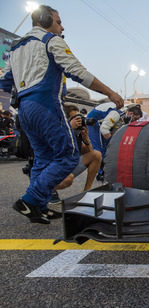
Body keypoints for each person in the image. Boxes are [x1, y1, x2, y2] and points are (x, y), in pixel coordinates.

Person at [0, 5, 123, 224]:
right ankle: (30, 199)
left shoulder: (16, 47)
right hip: (46, 104)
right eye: (58, 21)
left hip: (24, 110)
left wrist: (8, 108)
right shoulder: (51, 40)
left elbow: (5, 82)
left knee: (42, 158)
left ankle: (38, 206)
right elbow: (78, 72)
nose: (61, 26)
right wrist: (110, 93)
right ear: (45, 20)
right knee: (67, 155)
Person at [55, 104, 102, 192]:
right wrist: (69, 128)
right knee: (67, 178)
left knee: (96, 155)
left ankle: (86, 191)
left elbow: (90, 153)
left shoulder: (76, 134)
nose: (78, 121)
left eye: (79, 117)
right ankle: (48, 192)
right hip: (53, 169)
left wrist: (86, 139)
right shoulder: (57, 130)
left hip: (67, 167)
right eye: (74, 118)